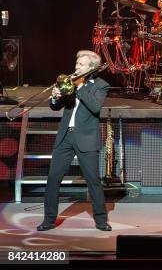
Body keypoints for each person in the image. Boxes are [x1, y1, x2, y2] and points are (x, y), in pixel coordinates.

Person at [37, 50, 111, 232]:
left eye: (81, 65)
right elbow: (55, 107)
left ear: (91, 67)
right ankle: (48, 219)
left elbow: (95, 107)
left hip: (86, 138)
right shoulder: (69, 83)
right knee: (53, 178)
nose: (76, 67)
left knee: (93, 180)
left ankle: (101, 220)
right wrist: (55, 96)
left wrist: (80, 86)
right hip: (65, 137)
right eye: (77, 64)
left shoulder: (101, 85)